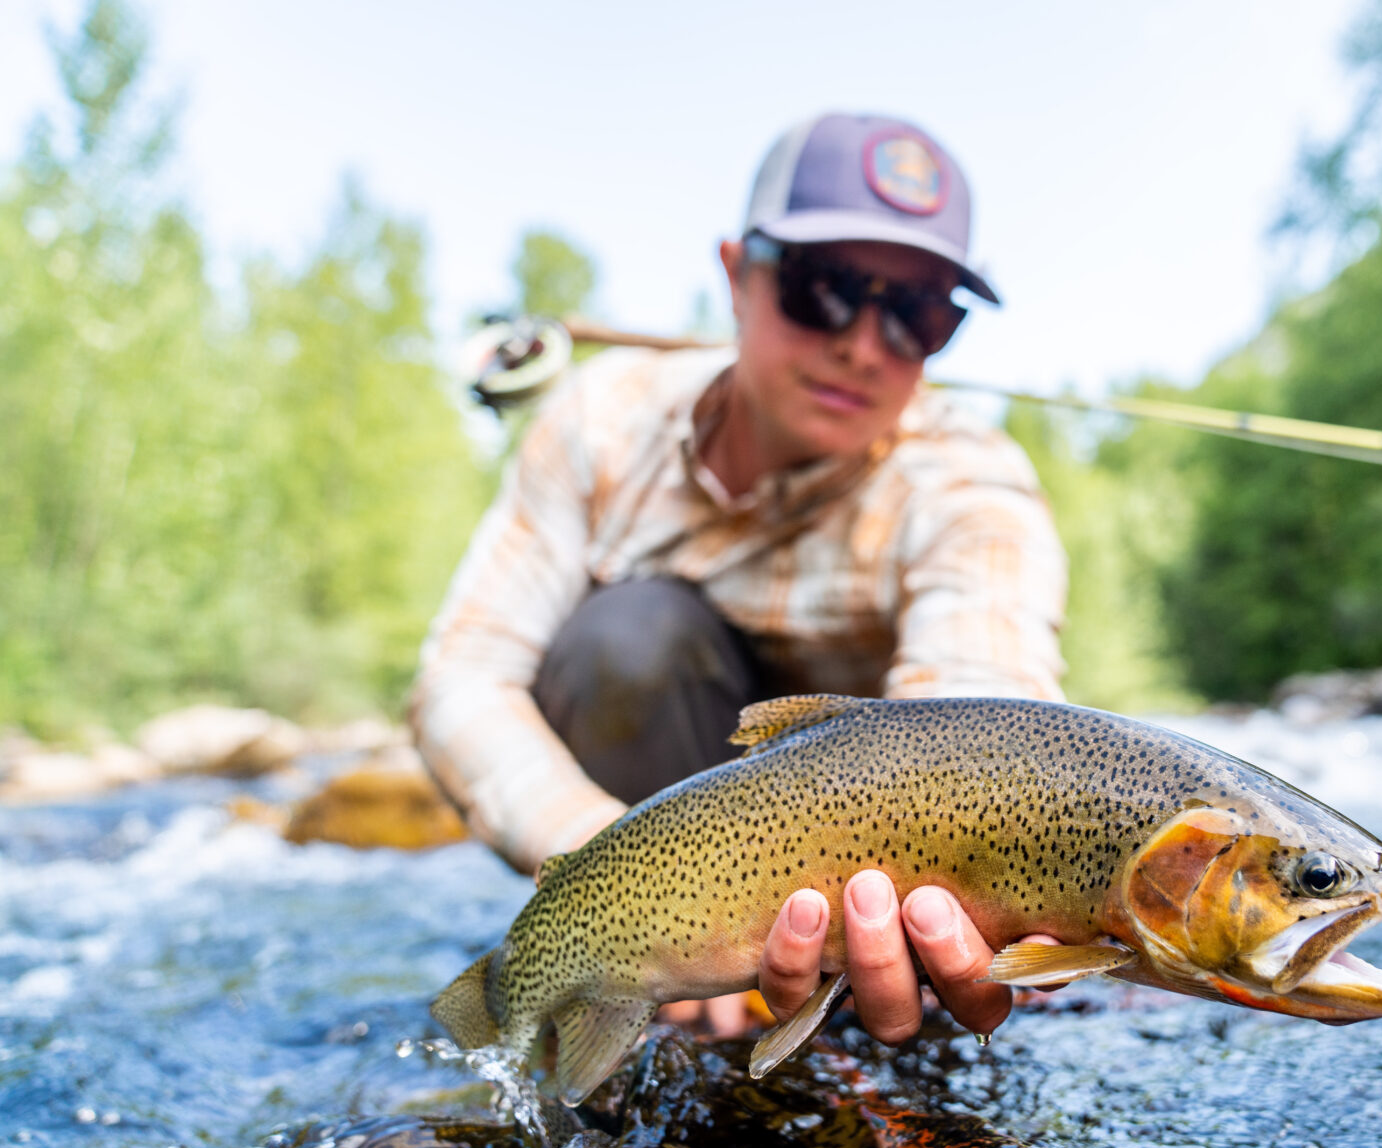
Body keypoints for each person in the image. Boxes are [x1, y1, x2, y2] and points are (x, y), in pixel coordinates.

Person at [411, 113, 1066, 1049]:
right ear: (736, 273)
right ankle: (654, 988)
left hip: (872, 871)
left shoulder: (972, 487)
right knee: (629, 637)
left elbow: (983, 737)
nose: (866, 345)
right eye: (827, 290)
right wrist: (623, 880)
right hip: (651, 822)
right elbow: (460, 678)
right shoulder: (602, 421)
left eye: (921, 313)